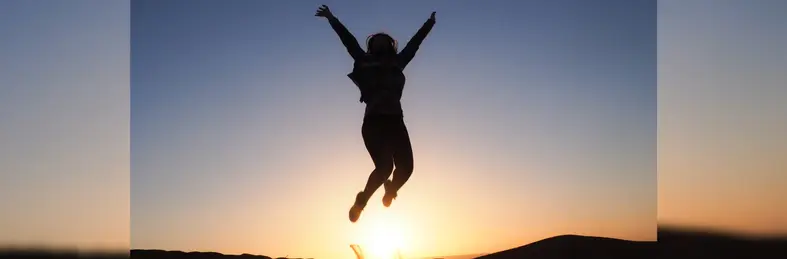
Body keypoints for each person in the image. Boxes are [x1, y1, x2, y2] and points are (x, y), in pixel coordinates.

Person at [315, 4, 436, 223]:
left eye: (384, 39)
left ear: (390, 45)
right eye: (376, 39)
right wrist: (331, 18)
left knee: (406, 168)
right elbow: (348, 40)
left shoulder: (398, 62)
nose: (380, 41)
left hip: (396, 122)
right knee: (384, 167)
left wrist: (429, 24)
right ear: (372, 45)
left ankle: (390, 190)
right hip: (373, 122)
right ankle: (361, 201)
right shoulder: (363, 60)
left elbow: (414, 45)